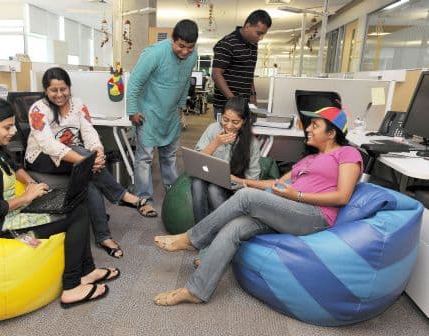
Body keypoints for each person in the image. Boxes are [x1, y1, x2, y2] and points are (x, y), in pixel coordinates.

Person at [153, 107, 363, 306]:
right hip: (287, 210)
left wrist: (296, 195)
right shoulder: (308, 159)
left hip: (314, 216)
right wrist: (241, 180)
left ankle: (192, 238)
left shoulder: (347, 154)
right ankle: (196, 291)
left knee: (245, 198)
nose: (308, 128)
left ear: (332, 133)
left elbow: (343, 196)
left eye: (315, 125)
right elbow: (276, 184)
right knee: (235, 227)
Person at [0, 97, 120, 308]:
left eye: (13, 124)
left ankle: (86, 272)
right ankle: (71, 286)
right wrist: (26, 197)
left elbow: (13, 165)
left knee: (76, 202)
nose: (13, 131)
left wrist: (33, 185)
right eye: (7, 127)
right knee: (75, 214)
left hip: (7, 212)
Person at [25, 67, 143, 259]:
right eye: (53, 90)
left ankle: (103, 236)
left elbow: (89, 132)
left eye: (63, 89)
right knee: (83, 158)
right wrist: (85, 161)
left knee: (89, 181)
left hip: (72, 158)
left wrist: (97, 152)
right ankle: (121, 194)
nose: (59, 94)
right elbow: (48, 145)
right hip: (41, 158)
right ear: (46, 90)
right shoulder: (38, 109)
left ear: (69, 87)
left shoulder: (78, 104)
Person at [127, 19, 199, 217]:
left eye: (190, 47)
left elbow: (185, 82)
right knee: (145, 158)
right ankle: (144, 199)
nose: (185, 52)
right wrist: (133, 110)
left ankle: (174, 194)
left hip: (170, 114)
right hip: (148, 113)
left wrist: (182, 106)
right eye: (181, 46)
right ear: (172, 40)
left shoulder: (193, 56)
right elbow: (134, 81)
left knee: (170, 156)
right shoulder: (155, 53)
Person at [192, 96, 261, 224]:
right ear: (221, 116)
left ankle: (223, 230)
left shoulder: (252, 144)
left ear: (244, 121)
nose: (229, 126)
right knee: (197, 183)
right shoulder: (213, 129)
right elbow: (197, 160)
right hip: (209, 177)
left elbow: (253, 180)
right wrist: (216, 142)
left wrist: (235, 180)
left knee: (214, 189)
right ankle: (200, 230)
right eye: (225, 119)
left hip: (234, 188)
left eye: (235, 122)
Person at [212, 9, 272, 121]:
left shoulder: (253, 45)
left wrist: (253, 95)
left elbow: (248, 73)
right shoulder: (227, 43)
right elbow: (216, 74)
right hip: (226, 105)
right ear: (248, 26)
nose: (260, 38)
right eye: (258, 33)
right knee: (227, 138)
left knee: (245, 137)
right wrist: (233, 100)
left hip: (245, 105)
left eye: (263, 34)